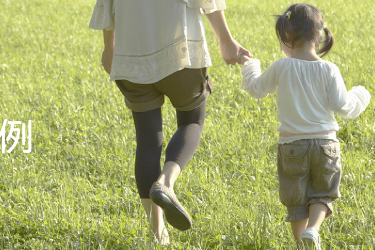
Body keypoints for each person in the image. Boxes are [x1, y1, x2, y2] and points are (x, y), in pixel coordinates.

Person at [88, 0, 252, 244]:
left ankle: (159, 234)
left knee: (147, 139)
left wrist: (108, 47)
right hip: (180, 54)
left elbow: (107, 5)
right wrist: (226, 40)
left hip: (131, 58)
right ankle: (165, 183)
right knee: (192, 122)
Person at [238, 3, 371, 249]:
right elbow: (344, 106)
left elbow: (256, 89)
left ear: (288, 36)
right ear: (318, 36)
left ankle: (302, 244)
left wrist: (250, 65)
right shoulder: (329, 69)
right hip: (325, 144)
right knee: (323, 192)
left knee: (295, 200)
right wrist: (360, 95)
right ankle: (313, 229)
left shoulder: (281, 66)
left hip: (291, 145)